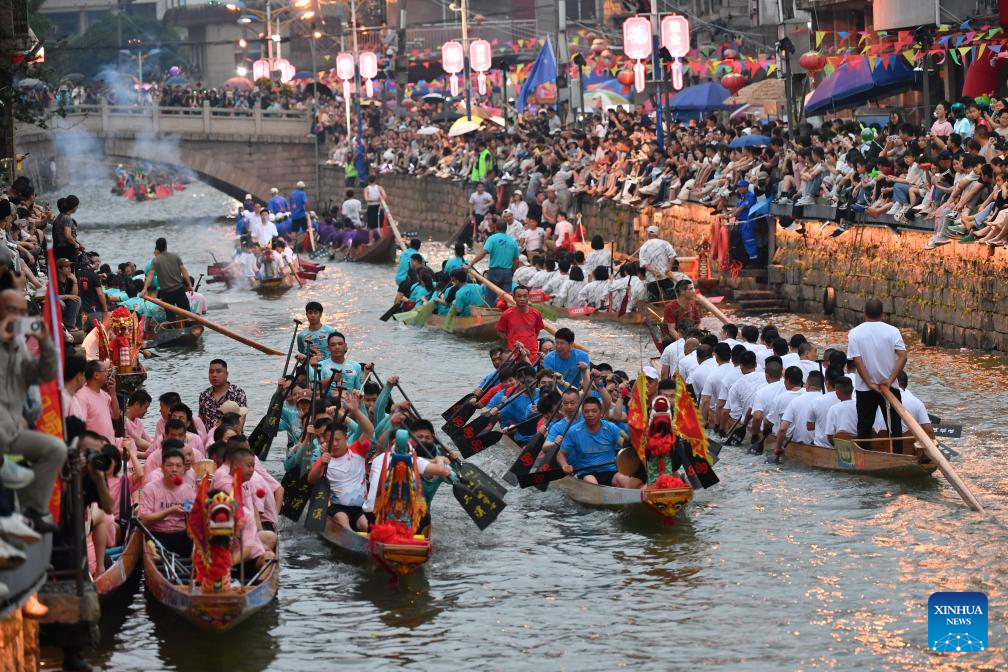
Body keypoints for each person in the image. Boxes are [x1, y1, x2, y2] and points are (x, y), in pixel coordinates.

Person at [0, 290, 65, 533]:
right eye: (10, 310)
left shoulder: (18, 346)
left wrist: (46, 341)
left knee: (56, 449)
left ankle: (32, 510)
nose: (16, 317)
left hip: (13, 432)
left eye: (21, 313)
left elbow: (43, 374)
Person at [847, 299, 907, 447]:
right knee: (894, 426)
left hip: (865, 388)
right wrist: (890, 379)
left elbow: (858, 361)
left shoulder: (855, 333)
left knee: (864, 426)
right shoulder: (893, 331)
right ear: (882, 313)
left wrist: (870, 383)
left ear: (864, 313)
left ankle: (864, 458)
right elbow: (903, 356)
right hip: (889, 386)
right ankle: (897, 455)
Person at [556, 397, 641, 488]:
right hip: (586, 473)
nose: (590, 414)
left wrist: (632, 441)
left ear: (600, 413)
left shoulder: (610, 427)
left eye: (594, 411)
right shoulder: (573, 431)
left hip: (610, 471)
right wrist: (565, 465)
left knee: (627, 481)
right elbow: (561, 454)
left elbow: (624, 444)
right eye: (586, 411)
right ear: (583, 414)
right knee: (593, 483)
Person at [306, 421, 371, 532]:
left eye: (338, 440)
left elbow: (369, 430)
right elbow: (311, 480)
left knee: (365, 525)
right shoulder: (324, 459)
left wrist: (355, 411)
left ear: (346, 439)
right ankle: (351, 540)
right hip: (337, 508)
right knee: (342, 520)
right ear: (326, 443)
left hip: (359, 508)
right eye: (331, 441)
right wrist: (322, 463)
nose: (334, 444)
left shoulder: (357, 451)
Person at [138, 447, 196, 556]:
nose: (174, 469)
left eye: (178, 466)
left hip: (182, 535)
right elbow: (144, 519)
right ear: (162, 468)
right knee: (153, 548)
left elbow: (193, 514)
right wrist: (169, 511)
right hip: (157, 535)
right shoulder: (150, 489)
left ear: (184, 469)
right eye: (170, 465)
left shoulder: (188, 490)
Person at [470, 218, 520, 304]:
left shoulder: (492, 239)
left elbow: (483, 253)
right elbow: (516, 261)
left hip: (494, 272)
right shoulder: (513, 242)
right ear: (506, 229)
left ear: (495, 228)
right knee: (506, 298)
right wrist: (511, 272)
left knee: (490, 296)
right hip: (507, 272)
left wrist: (471, 263)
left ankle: (490, 312)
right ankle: (505, 313)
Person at [74, 360, 121, 444]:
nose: (108, 374)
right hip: (95, 449)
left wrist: (113, 393)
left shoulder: (105, 395)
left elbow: (116, 415)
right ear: (96, 375)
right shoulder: (81, 395)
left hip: (109, 446)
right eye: (105, 371)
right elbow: (81, 426)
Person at [141, 237, 193, 312]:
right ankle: (188, 323)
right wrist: (189, 285)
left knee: (170, 316)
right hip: (179, 290)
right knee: (187, 313)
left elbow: (150, 275)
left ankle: (172, 323)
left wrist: (145, 289)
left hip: (166, 293)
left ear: (157, 247)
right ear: (166, 246)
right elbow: (183, 270)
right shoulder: (175, 256)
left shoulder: (156, 260)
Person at [496, 286, 545, 363]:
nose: (522, 299)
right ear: (514, 298)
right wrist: (510, 341)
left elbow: (537, 331)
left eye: (525, 296)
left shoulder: (536, 313)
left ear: (528, 297)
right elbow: (500, 332)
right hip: (514, 354)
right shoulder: (506, 314)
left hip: (532, 353)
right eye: (519, 296)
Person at [198, 359, 248, 429]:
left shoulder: (238, 393)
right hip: (208, 437)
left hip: (231, 437)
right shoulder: (204, 395)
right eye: (211, 372)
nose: (214, 375)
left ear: (226, 374)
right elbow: (201, 420)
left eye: (218, 372)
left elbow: (241, 419)